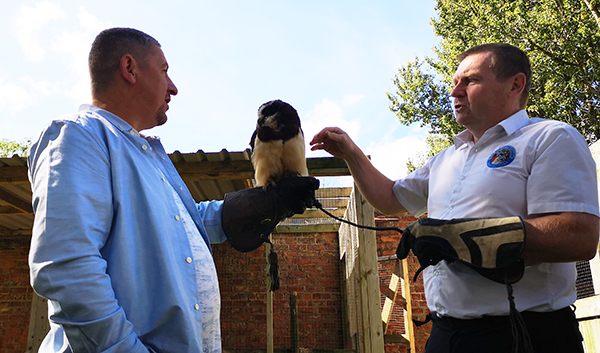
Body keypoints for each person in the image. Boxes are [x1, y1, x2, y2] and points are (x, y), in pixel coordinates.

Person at [28, 27, 318, 353]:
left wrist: (252, 206)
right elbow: (67, 267)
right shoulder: (78, 137)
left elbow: (182, 227)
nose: (174, 87)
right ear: (129, 68)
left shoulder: (146, 155)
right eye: (165, 70)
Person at [310, 43, 599, 353]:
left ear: (515, 85)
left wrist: (458, 237)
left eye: (470, 81)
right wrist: (351, 154)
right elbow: (390, 198)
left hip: (524, 334)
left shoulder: (550, 137)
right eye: (455, 82)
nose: (454, 92)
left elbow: (579, 236)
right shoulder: (446, 159)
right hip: (446, 335)